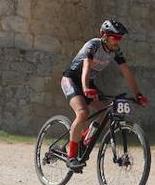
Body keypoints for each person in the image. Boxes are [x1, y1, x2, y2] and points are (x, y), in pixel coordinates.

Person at [60, 19, 147, 172]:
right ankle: (71, 157)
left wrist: (138, 94)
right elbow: (86, 65)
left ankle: (85, 139)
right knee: (82, 113)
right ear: (104, 35)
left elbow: (126, 72)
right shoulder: (93, 45)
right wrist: (86, 87)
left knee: (108, 109)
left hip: (88, 83)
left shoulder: (116, 51)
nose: (117, 41)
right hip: (72, 79)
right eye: (114, 37)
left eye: (120, 38)